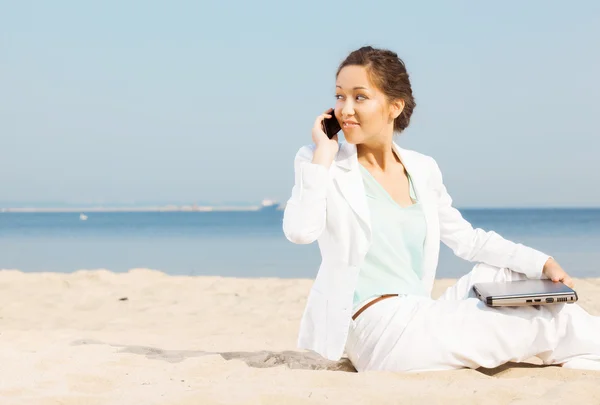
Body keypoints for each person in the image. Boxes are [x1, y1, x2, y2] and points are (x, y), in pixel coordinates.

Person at [282, 46, 600, 373]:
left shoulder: (422, 168)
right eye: (339, 97)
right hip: (377, 328)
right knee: (533, 324)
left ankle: (586, 351)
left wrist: (541, 262)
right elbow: (300, 231)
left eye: (359, 97)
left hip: (421, 313)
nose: (345, 109)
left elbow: (468, 240)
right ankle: (587, 349)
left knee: (513, 278)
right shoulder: (321, 161)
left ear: (395, 106)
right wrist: (322, 153)